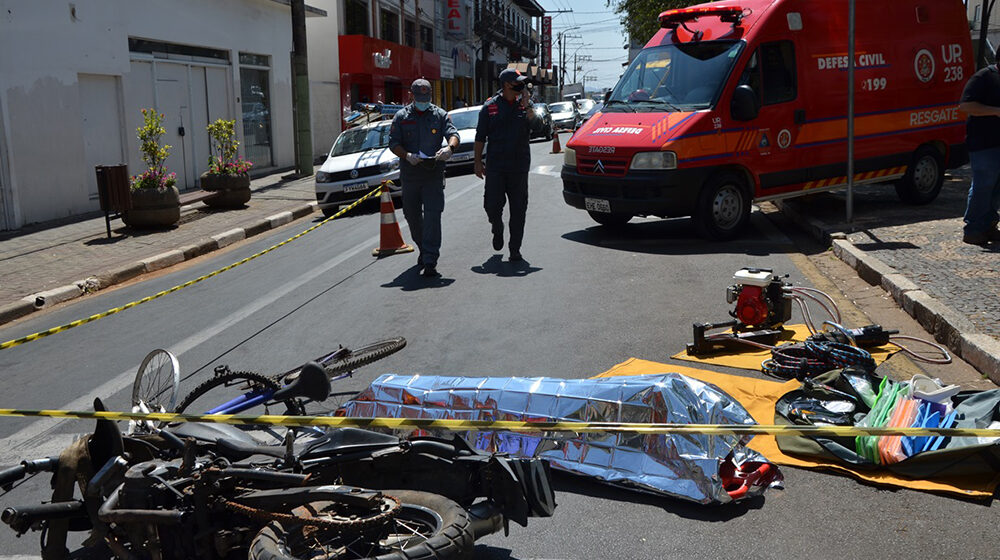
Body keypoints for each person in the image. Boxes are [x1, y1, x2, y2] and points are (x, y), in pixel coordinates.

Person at [389, 79, 459, 277]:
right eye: (420, 98)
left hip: (433, 175)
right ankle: (423, 247)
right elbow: (393, 143)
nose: (423, 101)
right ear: (412, 96)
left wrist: (449, 148)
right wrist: (407, 155)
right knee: (412, 216)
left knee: (432, 216)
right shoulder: (401, 117)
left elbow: (453, 134)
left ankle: (430, 259)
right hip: (410, 176)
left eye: (426, 97)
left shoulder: (439, 115)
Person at [474, 69, 540, 261]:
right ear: (506, 85)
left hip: (519, 167)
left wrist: (528, 108)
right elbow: (480, 137)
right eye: (516, 83)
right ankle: (497, 227)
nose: (521, 86)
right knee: (491, 206)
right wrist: (478, 162)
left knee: (519, 209)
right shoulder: (490, 107)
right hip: (496, 166)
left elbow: (539, 127)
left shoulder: (526, 106)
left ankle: (515, 248)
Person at [958, 62, 1000, 246]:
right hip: (983, 143)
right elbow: (966, 105)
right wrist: (996, 112)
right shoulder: (983, 77)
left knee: (996, 187)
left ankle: (988, 225)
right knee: (983, 185)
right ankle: (973, 228)